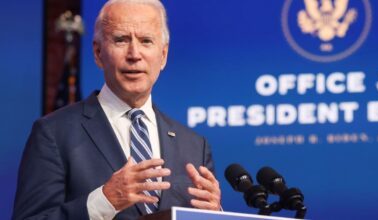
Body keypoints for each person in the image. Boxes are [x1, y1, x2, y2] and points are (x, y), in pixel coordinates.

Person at [12, 0, 221, 219]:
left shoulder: (195, 146)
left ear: (163, 56)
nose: (134, 54)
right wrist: (104, 201)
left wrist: (215, 214)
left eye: (146, 41)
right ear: (98, 52)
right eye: (121, 40)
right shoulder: (53, 133)